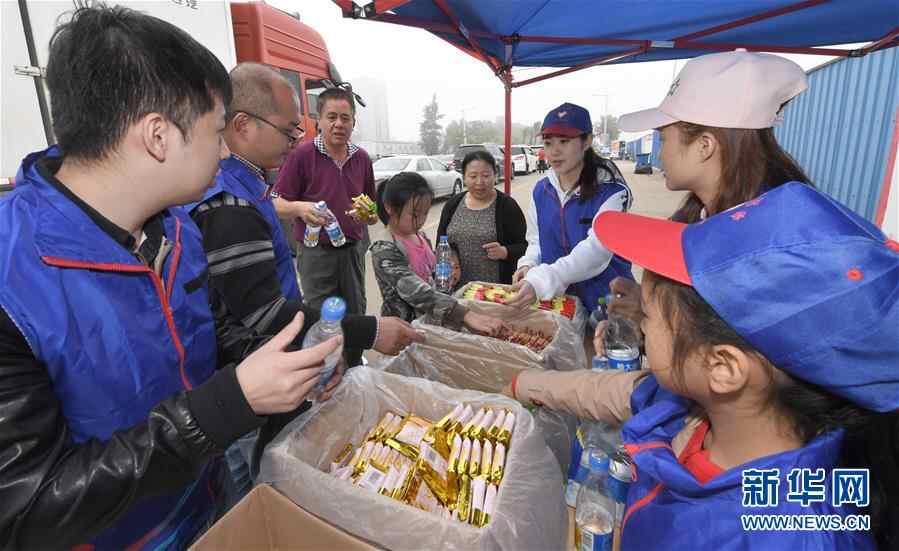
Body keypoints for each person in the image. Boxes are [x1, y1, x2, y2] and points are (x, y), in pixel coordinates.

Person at [0, 6, 340, 549]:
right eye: (214, 132)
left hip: (208, 502)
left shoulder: (177, 230)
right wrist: (225, 406)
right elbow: (25, 506)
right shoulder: (11, 276)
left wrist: (283, 368)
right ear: (158, 136)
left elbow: (206, 337)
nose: (226, 150)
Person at [511, 183, 899, 549]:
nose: (640, 324)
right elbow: (611, 391)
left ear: (724, 367)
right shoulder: (693, 411)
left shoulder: (791, 535)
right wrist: (523, 383)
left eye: (650, 317)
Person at [185, 63, 423, 496]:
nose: (294, 139)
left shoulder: (248, 183)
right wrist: (368, 331)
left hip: (272, 354)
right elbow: (268, 316)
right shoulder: (228, 203)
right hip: (247, 377)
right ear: (243, 125)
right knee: (255, 482)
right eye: (288, 129)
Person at [600, 50, 815, 327]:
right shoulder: (701, 214)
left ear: (705, 146)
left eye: (664, 139)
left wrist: (659, 319)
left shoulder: (773, 245)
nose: (661, 154)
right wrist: (647, 310)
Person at [271, 86, 377, 366]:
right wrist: (300, 208)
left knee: (355, 312)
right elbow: (274, 203)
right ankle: (322, 377)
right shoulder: (301, 155)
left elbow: (374, 212)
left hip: (353, 250)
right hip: (315, 252)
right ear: (319, 120)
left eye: (346, 118)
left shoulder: (362, 159)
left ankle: (354, 368)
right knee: (320, 317)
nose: (339, 124)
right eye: (332, 117)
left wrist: (368, 214)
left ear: (354, 121)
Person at [508, 102, 634, 315]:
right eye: (548, 143)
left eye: (564, 141)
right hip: (559, 304)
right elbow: (538, 239)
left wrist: (541, 280)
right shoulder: (541, 190)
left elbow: (596, 251)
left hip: (606, 303)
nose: (555, 151)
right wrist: (528, 265)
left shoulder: (611, 192)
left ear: (587, 142)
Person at [370, 173, 506, 335]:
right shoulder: (384, 249)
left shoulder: (420, 236)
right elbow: (416, 291)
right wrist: (463, 314)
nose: (420, 221)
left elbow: (432, 273)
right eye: (414, 214)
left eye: (425, 213)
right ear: (389, 207)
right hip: (405, 329)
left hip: (431, 322)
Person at [437, 151, 527, 286]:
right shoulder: (453, 204)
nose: (479, 182)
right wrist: (450, 259)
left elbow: (526, 246)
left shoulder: (507, 206)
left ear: (495, 175)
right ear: (464, 177)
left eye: (486, 175)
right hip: (456, 289)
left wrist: (505, 252)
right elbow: (440, 244)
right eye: (473, 176)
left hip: (493, 292)